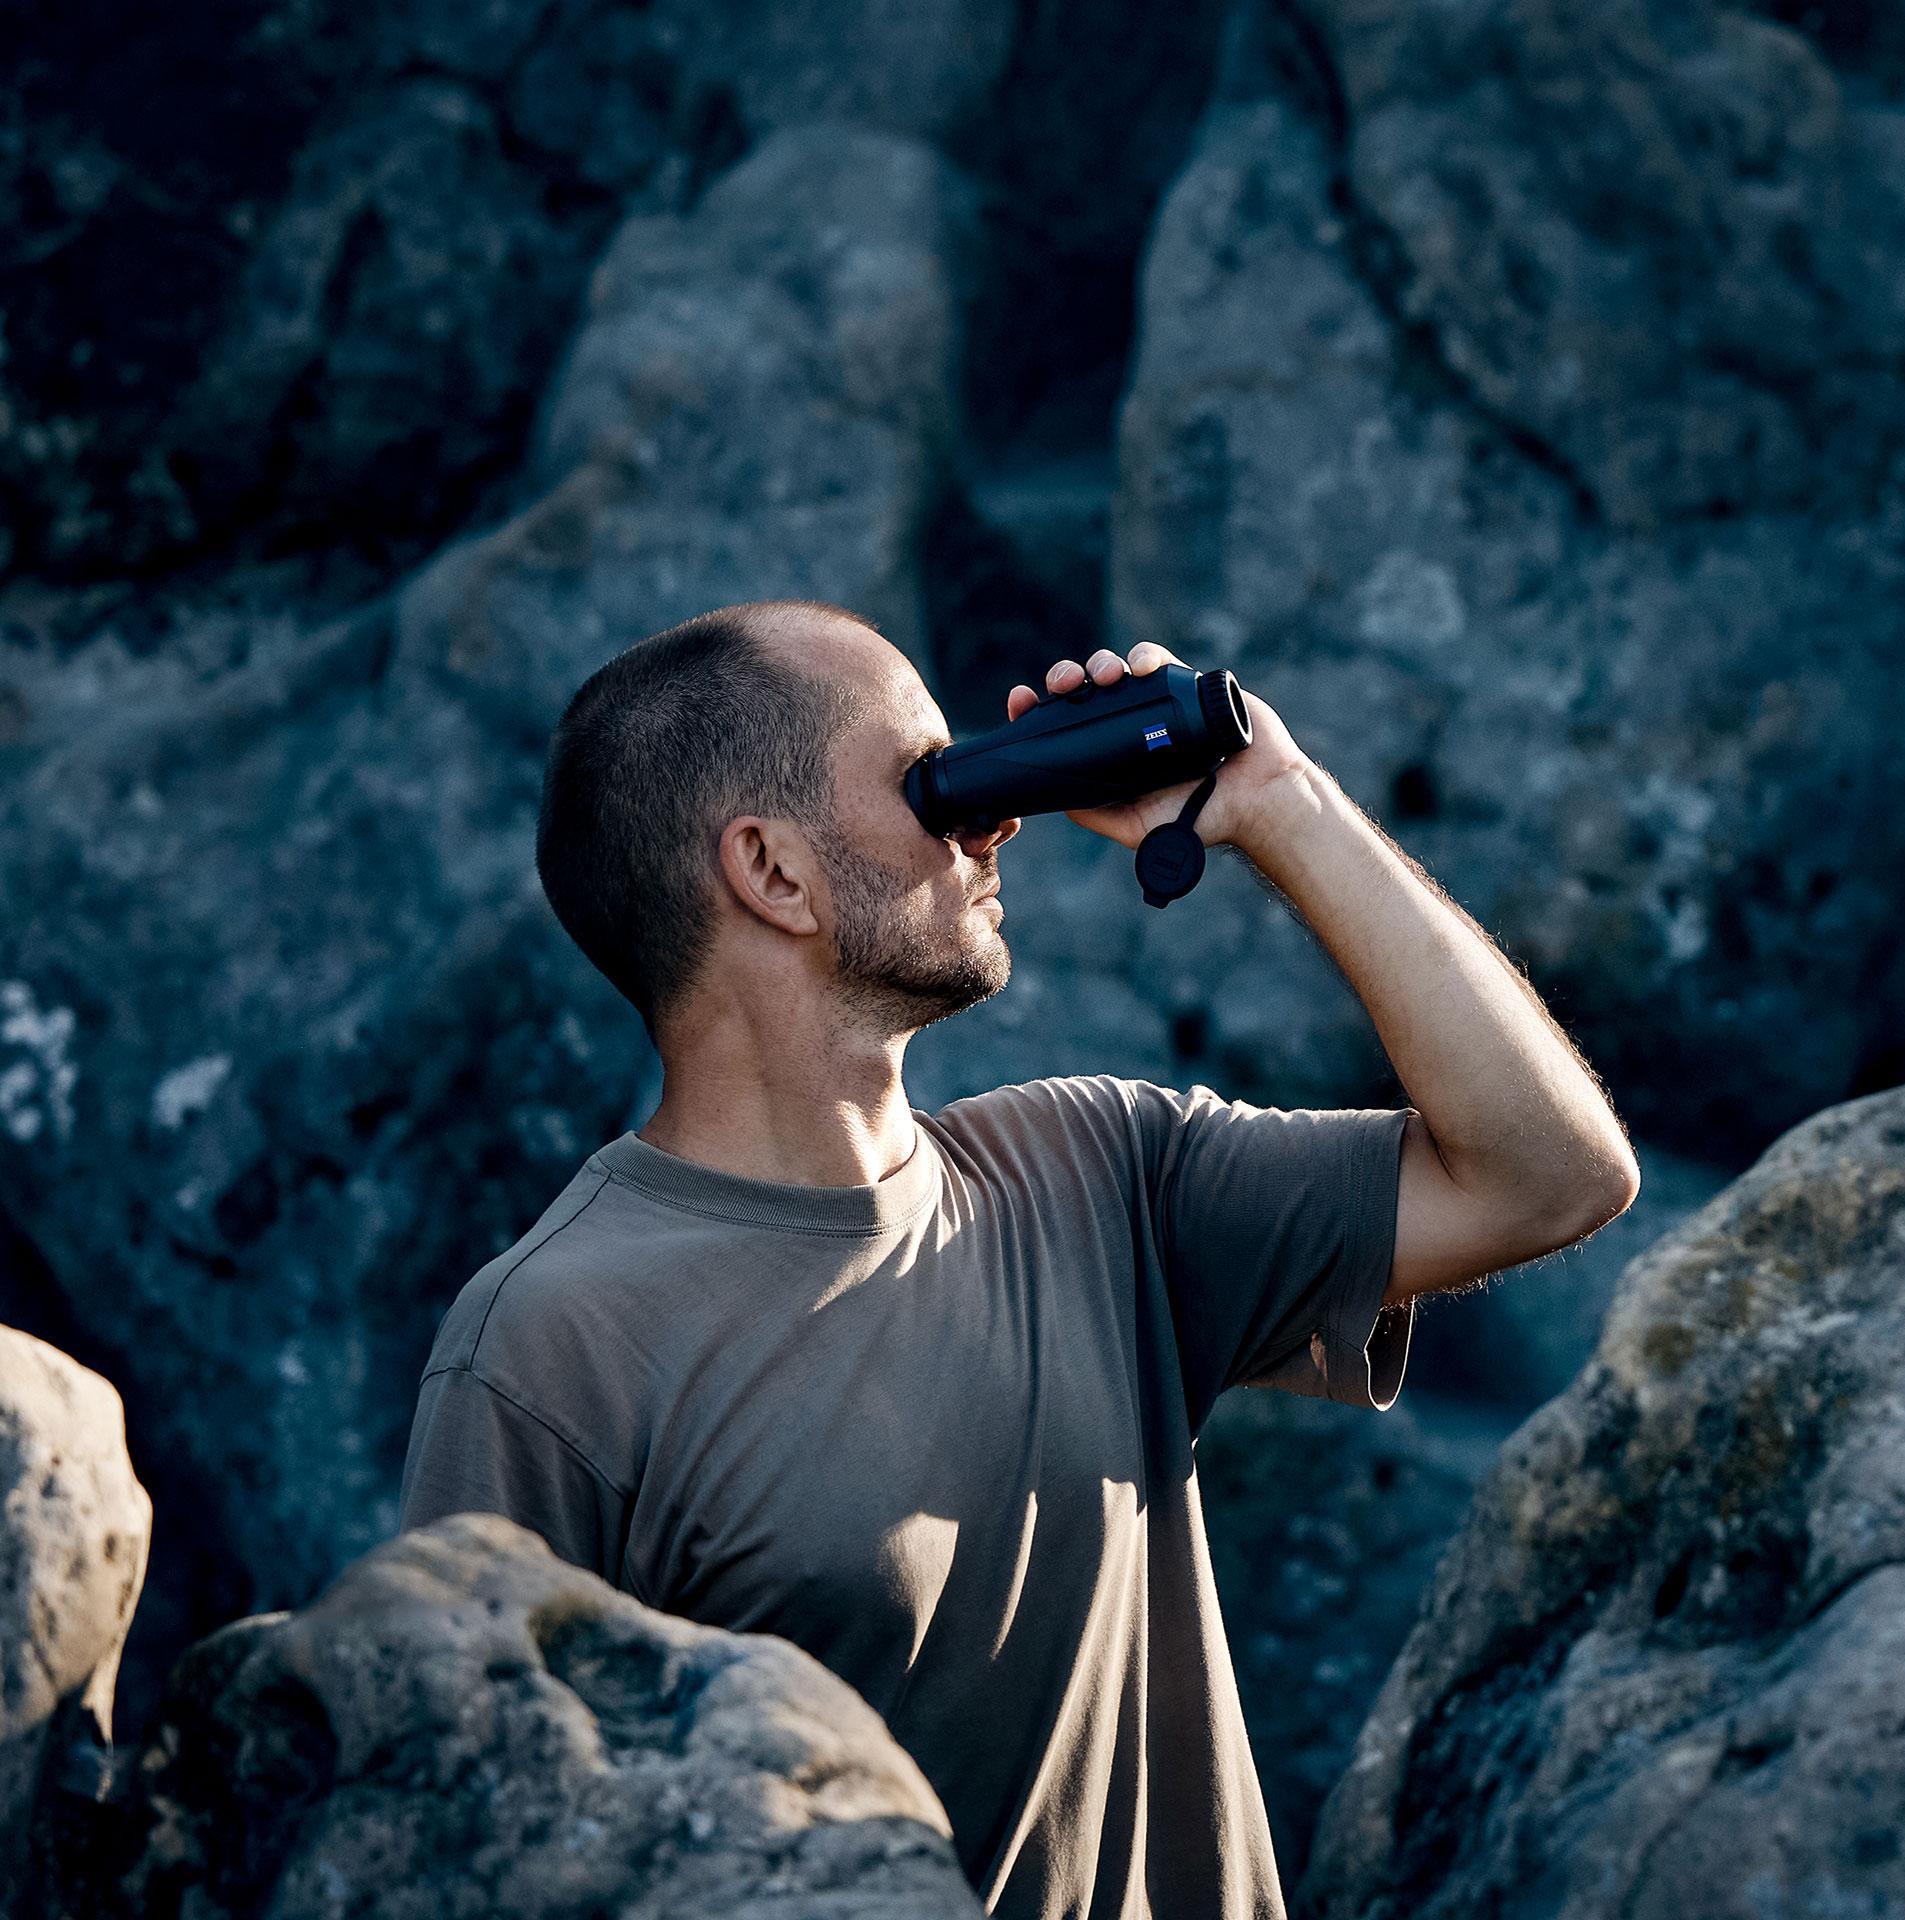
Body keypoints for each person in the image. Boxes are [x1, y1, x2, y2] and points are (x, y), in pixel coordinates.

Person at [398, 598, 1638, 1919]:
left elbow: (1550, 1176)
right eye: (931, 781)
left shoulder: (1101, 1175)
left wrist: (1282, 803)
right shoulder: (552, 1346)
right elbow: (467, 1850)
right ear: (772, 873)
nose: (995, 818)